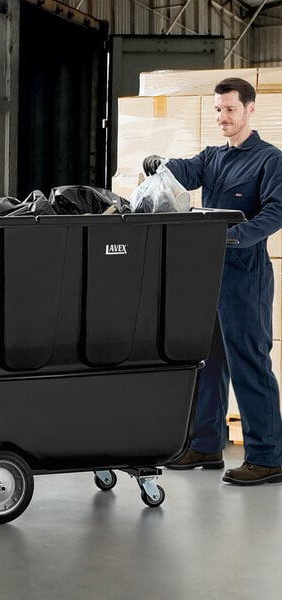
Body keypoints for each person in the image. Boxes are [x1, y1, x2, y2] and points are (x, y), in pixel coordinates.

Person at [143, 77, 282, 485]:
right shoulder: (214, 157)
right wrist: (161, 165)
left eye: (230, 110)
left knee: (249, 363)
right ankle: (205, 445)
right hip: (209, 274)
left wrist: (234, 236)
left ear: (250, 110)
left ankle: (268, 457)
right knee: (208, 361)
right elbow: (187, 171)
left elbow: (276, 213)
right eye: (218, 110)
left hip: (245, 274)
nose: (222, 117)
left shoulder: (270, 160)